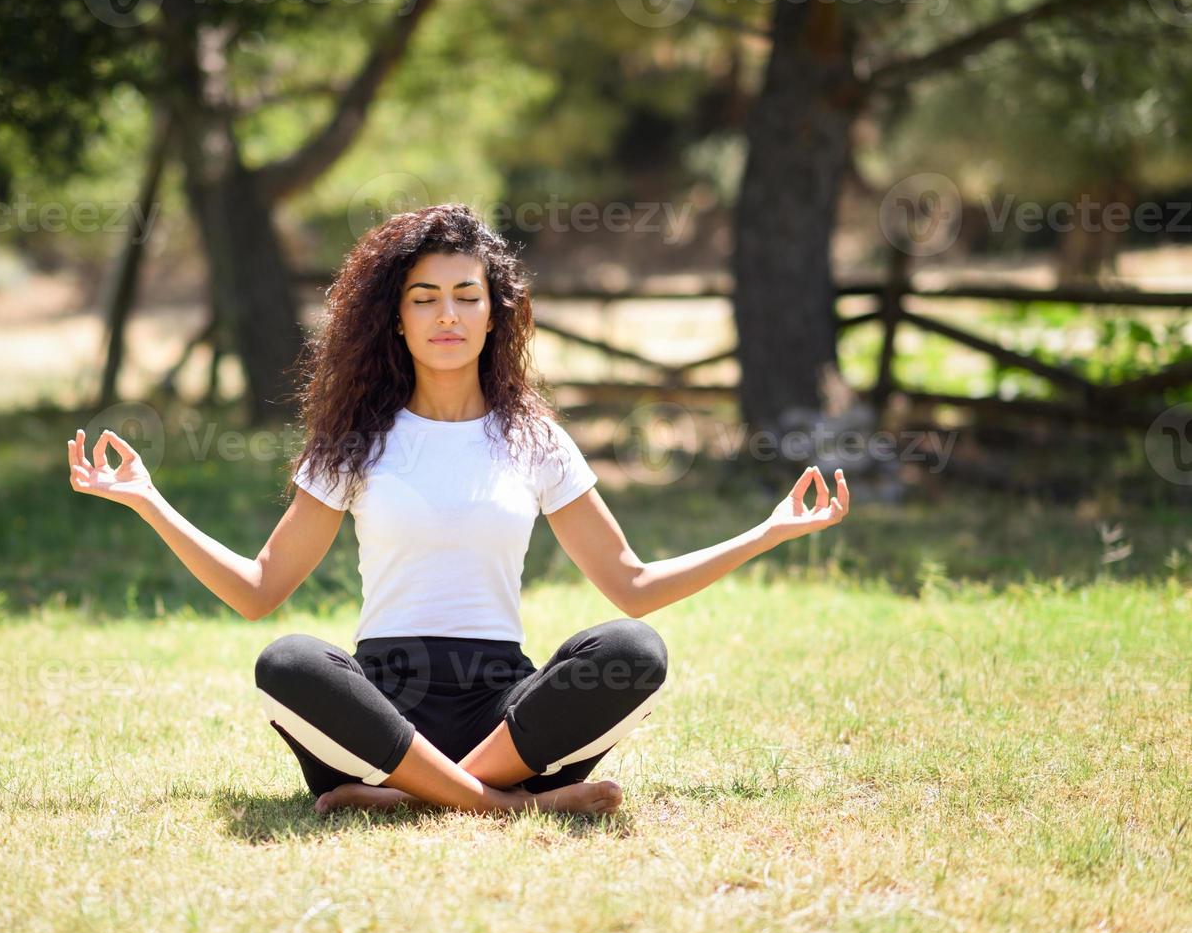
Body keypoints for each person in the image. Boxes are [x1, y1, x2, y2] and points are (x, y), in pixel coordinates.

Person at [67, 203, 849, 817]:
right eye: (425, 298)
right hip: (382, 710)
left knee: (633, 649)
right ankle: (499, 809)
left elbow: (632, 583)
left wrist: (771, 530)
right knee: (290, 663)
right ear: (396, 319)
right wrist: (148, 500)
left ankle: (421, 799)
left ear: (493, 313)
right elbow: (257, 589)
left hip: (504, 714)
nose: (447, 314)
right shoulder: (353, 442)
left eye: (466, 296)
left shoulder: (536, 440)